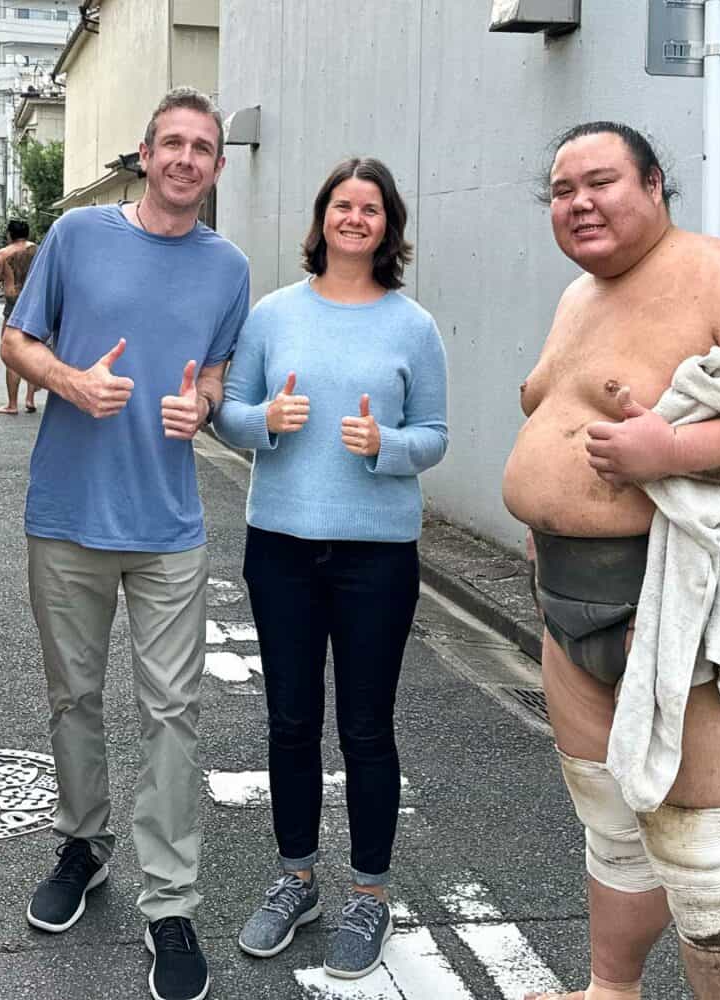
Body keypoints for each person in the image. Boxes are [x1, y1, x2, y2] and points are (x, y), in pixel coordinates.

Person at [503, 122, 720, 1000]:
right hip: (564, 594)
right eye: (560, 190)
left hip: (674, 599)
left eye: (600, 182)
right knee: (611, 824)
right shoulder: (578, 298)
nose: (578, 202)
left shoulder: (718, 276)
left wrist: (671, 455)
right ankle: (608, 992)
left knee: (701, 855)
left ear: (655, 185)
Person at [0, 86, 249, 1000]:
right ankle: (82, 843)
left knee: (172, 711)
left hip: (168, 528)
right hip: (66, 513)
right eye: (171, 143)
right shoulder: (76, 238)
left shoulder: (229, 268)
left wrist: (205, 405)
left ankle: (171, 902)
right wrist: (67, 379)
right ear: (145, 154)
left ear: (217, 167)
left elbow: (216, 372)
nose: (185, 159)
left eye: (202, 148)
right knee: (74, 695)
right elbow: (17, 342)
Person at [215, 157, 449, 980]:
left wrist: (386, 446)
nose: (355, 218)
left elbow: (435, 434)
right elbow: (229, 415)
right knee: (288, 720)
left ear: (388, 227)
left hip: (376, 552)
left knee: (365, 725)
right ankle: (295, 878)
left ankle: (370, 892)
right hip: (279, 543)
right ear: (321, 221)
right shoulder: (273, 314)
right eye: (343, 205)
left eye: (371, 208)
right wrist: (266, 420)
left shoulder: (411, 325)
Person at [0, 218, 39, 414]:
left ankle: (12, 404)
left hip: (14, 304)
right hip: (35, 302)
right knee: (33, 349)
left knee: (12, 352)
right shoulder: (39, 250)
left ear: (9, 234)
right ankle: (30, 399)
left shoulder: (4, 253)